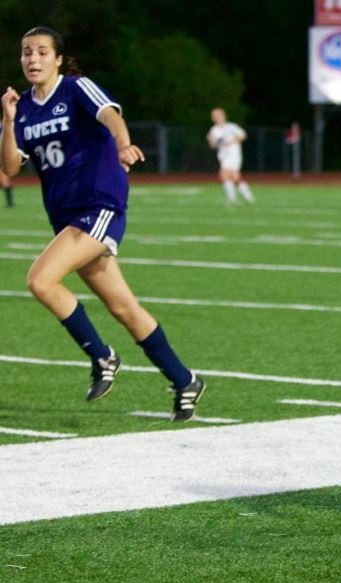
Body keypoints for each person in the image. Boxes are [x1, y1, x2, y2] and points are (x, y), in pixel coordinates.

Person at [0, 26, 206, 421]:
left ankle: (102, 356)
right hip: (66, 216)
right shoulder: (23, 108)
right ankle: (185, 380)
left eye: (42, 52)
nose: (33, 59)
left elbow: (110, 116)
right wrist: (8, 121)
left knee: (40, 280)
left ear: (58, 59)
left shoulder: (76, 88)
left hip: (98, 204)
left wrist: (123, 144)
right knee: (123, 307)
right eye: (26, 52)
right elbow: (10, 166)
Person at [206, 107, 254, 205]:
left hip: (233, 155)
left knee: (223, 174)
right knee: (235, 178)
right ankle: (248, 197)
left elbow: (243, 135)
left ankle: (232, 199)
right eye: (214, 116)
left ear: (223, 116)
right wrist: (211, 140)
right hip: (223, 156)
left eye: (218, 115)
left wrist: (232, 141)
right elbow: (213, 146)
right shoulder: (214, 130)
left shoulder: (231, 127)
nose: (216, 117)